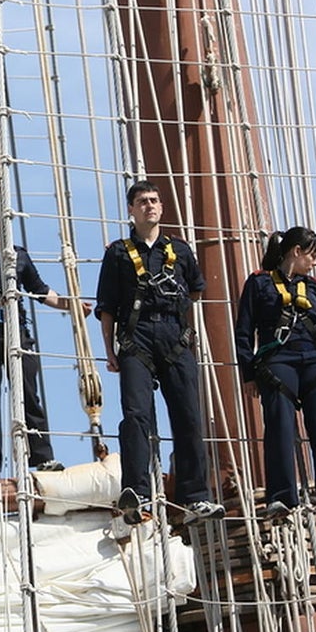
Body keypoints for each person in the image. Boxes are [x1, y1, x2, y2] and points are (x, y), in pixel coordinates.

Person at [95, 181, 225, 525]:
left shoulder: (180, 251)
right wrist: (110, 351)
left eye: (154, 200)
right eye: (142, 201)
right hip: (136, 338)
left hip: (175, 337)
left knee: (188, 415)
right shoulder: (118, 253)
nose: (149, 206)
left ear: (161, 207)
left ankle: (195, 496)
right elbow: (106, 308)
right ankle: (135, 492)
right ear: (131, 210)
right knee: (136, 415)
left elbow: (195, 291)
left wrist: (178, 325)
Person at [0, 201, 88, 482]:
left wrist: (70, 305)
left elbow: (40, 291)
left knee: (28, 394)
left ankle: (42, 456)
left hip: (15, 334)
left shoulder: (17, 257)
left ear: (3, 224)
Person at [234, 227, 316, 526]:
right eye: (311, 255)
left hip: (313, 359)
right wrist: (248, 373)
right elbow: (244, 332)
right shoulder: (259, 283)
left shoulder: (313, 286)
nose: (314, 262)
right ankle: (281, 498)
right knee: (279, 427)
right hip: (278, 360)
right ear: (296, 251)